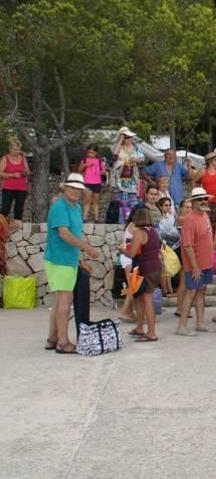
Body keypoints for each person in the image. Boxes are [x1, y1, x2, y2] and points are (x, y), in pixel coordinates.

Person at [43, 174, 100, 353]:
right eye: (73, 188)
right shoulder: (60, 206)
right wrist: (87, 249)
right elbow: (64, 234)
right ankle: (62, 342)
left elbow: (71, 234)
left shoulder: (74, 207)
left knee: (60, 300)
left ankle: (53, 338)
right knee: (65, 301)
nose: (76, 191)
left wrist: (78, 258)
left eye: (78, 189)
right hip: (59, 260)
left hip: (66, 259)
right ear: (65, 188)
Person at [175, 187, 216, 337]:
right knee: (191, 291)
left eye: (205, 199)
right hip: (196, 265)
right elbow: (187, 245)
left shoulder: (204, 215)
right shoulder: (190, 220)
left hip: (205, 263)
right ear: (193, 202)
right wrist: (195, 266)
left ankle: (200, 323)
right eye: (199, 199)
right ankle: (182, 326)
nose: (203, 201)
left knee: (202, 291)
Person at [118, 207, 161, 342]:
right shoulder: (154, 231)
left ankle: (152, 332)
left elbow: (131, 253)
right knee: (139, 298)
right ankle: (139, 327)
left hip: (145, 269)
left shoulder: (139, 233)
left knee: (146, 299)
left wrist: (122, 250)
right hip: (155, 267)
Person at [109, 127, 144, 223]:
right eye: (127, 137)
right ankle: (121, 222)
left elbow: (142, 158)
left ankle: (133, 222)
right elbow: (115, 153)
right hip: (120, 176)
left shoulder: (136, 147)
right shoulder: (117, 146)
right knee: (121, 202)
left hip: (131, 176)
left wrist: (134, 160)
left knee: (133, 201)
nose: (129, 139)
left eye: (130, 137)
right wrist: (120, 139)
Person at [192, 152, 216, 229]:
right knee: (206, 222)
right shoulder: (203, 171)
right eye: (215, 160)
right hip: (206, 201)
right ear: (210, 161)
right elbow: (193, 181)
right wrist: (197, 194)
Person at [79, 144, 104, 222]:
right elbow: (79, 170)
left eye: (92, 152)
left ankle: (96, 218)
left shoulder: (99, 161)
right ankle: (84, 218)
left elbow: (103, 171)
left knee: (96, 201)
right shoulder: (84, 160)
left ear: (96, 153)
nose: (90, 154)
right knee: (87, 201)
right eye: (89, 152)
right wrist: (85, 165)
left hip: (97, 182)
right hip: (87, 182)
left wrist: (101, 172)